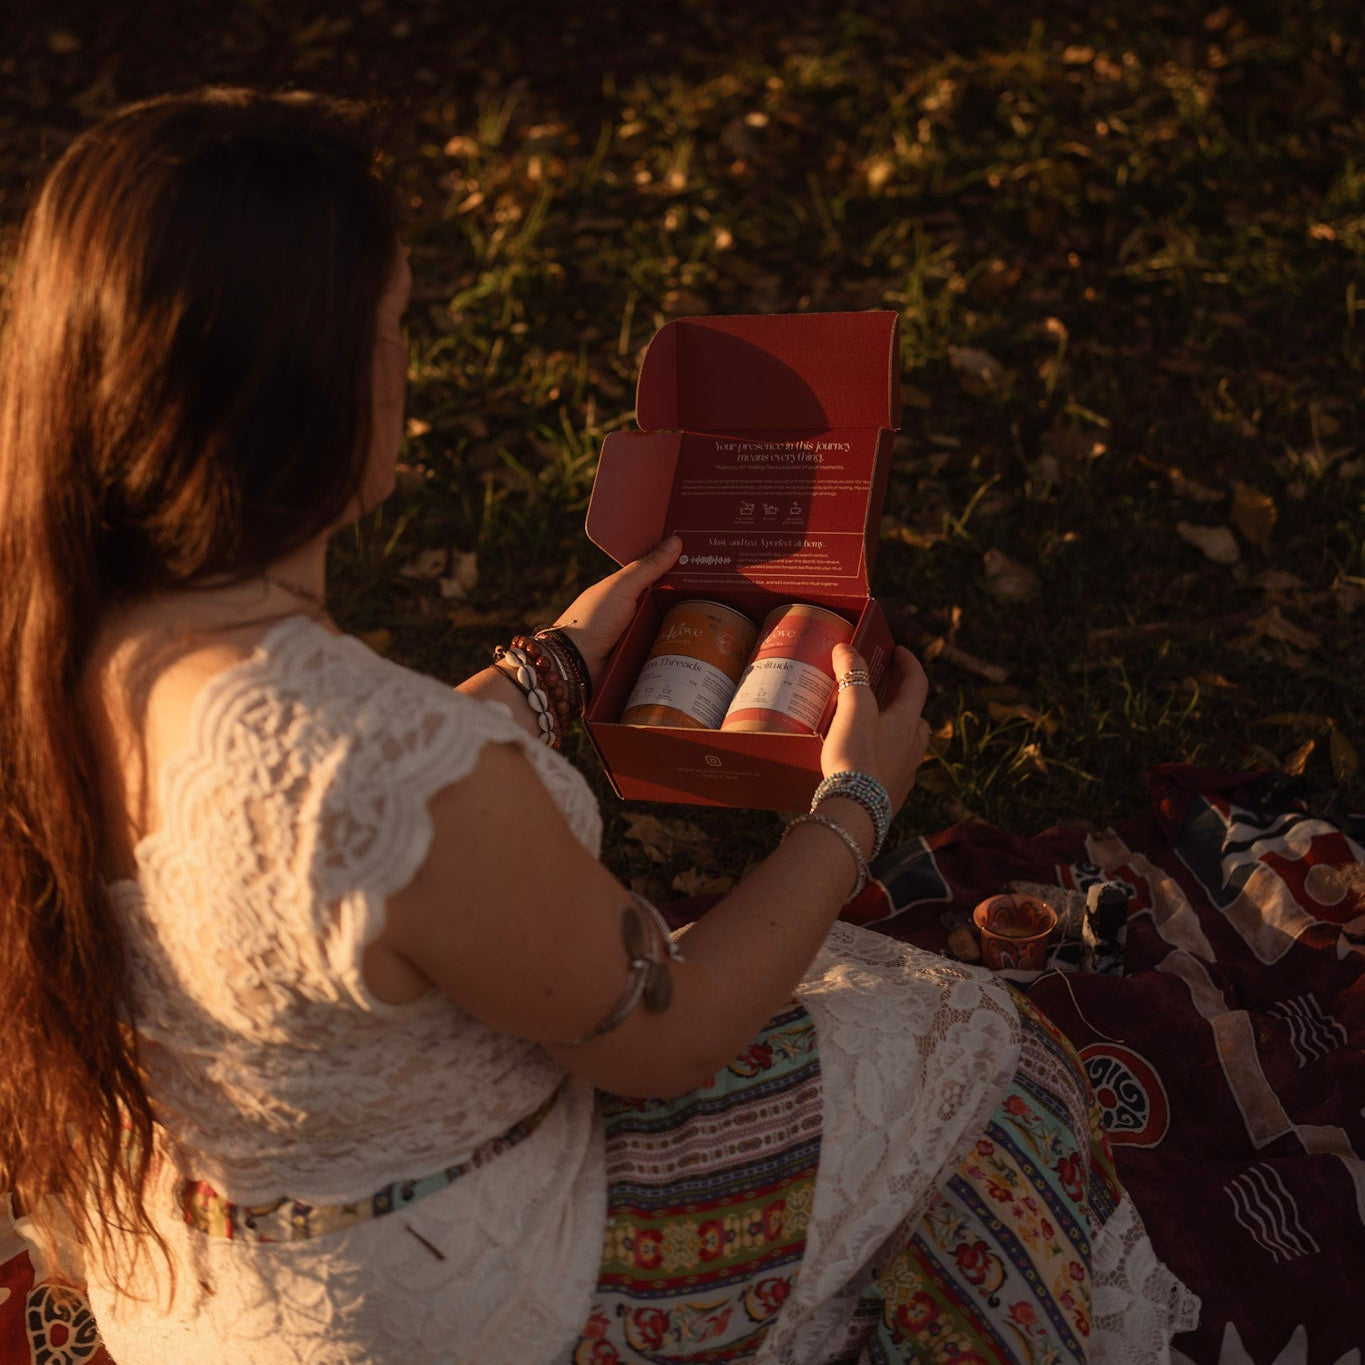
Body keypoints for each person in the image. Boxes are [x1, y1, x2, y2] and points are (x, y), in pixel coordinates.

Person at [0, 88, 1198, 1364]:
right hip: (432, 1303)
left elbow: (303, 832)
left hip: (193, 1272)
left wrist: (550, 670)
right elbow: (669, 1037)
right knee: (985, 1054)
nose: (413, 364)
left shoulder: (62, 643)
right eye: (397, 324)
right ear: (307, 388)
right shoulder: (397, 770)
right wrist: (854, 804)